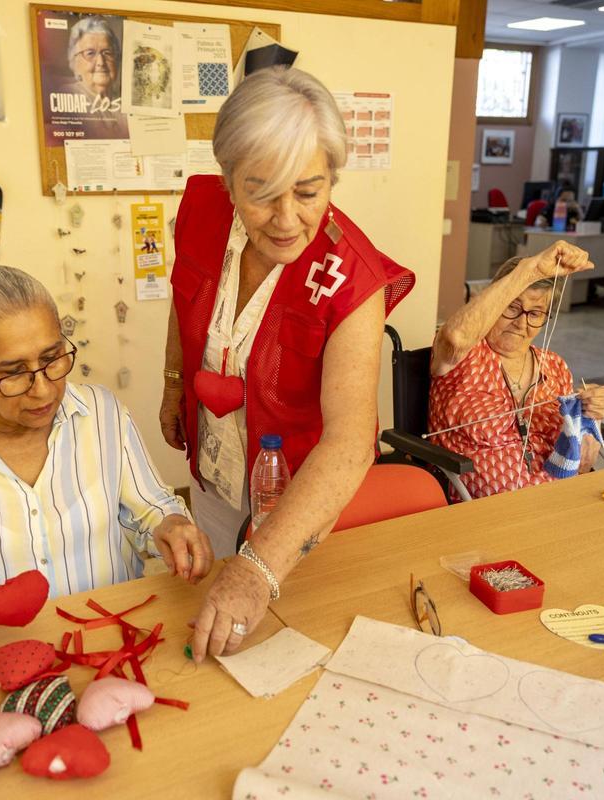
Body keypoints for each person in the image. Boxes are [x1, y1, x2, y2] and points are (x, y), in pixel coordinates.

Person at [160, 67, 414, 660]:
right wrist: (174, 383)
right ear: (228, 179)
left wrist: (258, 569)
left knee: (284, 643)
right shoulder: (202, 208)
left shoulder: (355, 279)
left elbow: (351, 441)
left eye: (307, 192)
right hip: (217, 464)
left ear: (332, 178)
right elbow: (183, 295)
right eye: (261, 192)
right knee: (209, 638)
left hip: (296, 501)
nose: (286, 219)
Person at [0, 265, 212, 645]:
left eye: (52, 358)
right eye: (13, 373)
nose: (44, 390)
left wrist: (170, 525)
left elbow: (151, 508)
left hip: (112, 639)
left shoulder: (101, 414)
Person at [429, 245, 604, 499]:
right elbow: (455, 337)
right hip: (486, 508)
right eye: (511, 307)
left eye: (535, 313)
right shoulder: (465, 355)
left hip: (557, 497)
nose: (520, 322)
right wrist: (529, 270)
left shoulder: (555, 366)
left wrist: (592, 414)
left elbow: (580, 458)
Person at [67, 15, 120, 101]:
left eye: (107, 53)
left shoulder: (123, 99)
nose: (101, 62)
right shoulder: (68, 95)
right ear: (75, 61)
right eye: (90, 53)